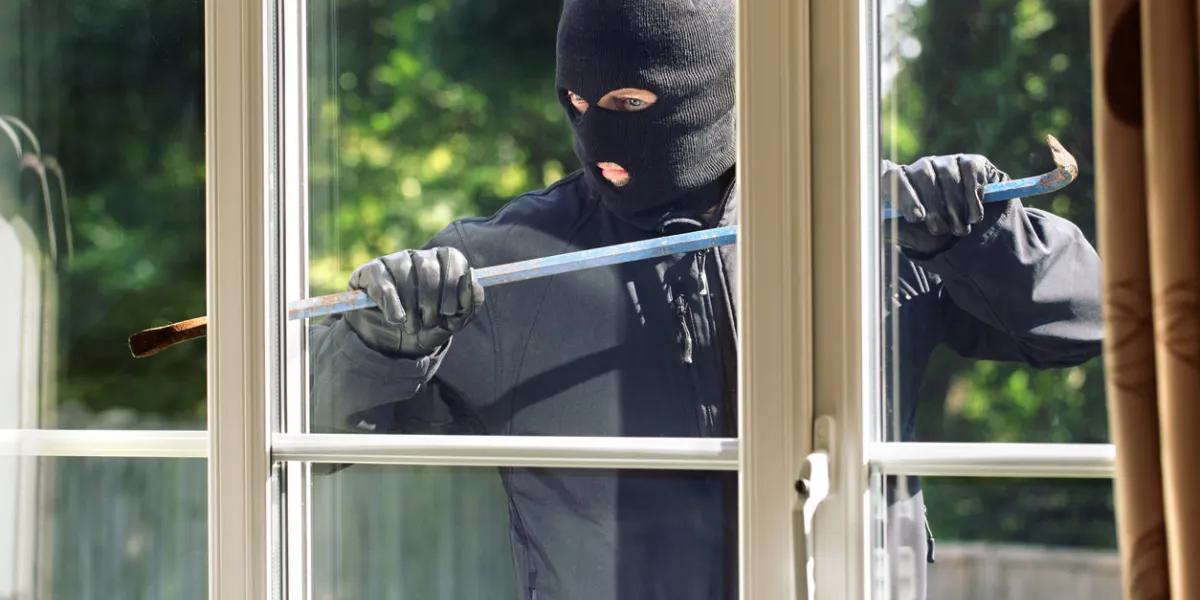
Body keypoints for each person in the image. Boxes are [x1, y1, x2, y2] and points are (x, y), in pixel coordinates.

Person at [308, 0, 1104, 598]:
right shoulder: (505, 264)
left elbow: (1092, 322)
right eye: (577, 105)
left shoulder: (869, 221)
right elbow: (315, 432)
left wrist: (981, 240)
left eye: (629, 104)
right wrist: (380, 344)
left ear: (714, 86)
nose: (599, 136)